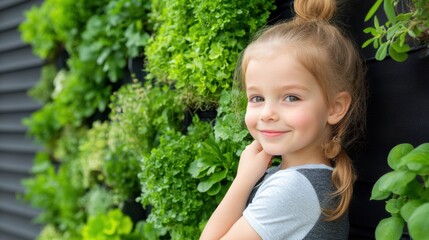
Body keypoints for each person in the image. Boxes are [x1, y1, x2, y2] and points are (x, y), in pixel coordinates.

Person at [200, 0, 367, 239]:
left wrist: (242, 180)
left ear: (335, 107)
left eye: (290, 97)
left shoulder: (293, 189)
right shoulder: (303, 178)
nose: (267, 113)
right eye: (257, 97)